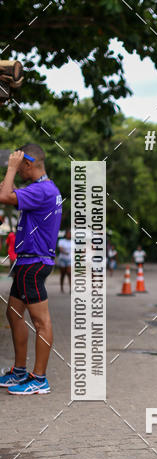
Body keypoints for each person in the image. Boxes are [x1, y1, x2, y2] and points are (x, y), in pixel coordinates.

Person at [0, 145, 62, 394]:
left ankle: (39, 379)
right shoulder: (43, 189)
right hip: (27, 262)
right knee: (14, 314)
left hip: (34, 264)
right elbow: (10, 194)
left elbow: (5, 196)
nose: (17, 170)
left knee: (40, 321)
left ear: (28, 163)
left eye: (19, 166)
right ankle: (19, 371)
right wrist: (11, 182)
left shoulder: (42, 189)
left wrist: (10, 169)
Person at [55, 228, 72, 293]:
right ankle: (61, 288)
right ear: (65, 234)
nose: (69, 235)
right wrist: (65, 252)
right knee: (63, 274)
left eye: (70, 234)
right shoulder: (61, 241)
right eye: (68, 234)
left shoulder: (73, 242)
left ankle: (70, 288)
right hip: (62, 259)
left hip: (69, 259)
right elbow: (60, 248)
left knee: (69, 273)